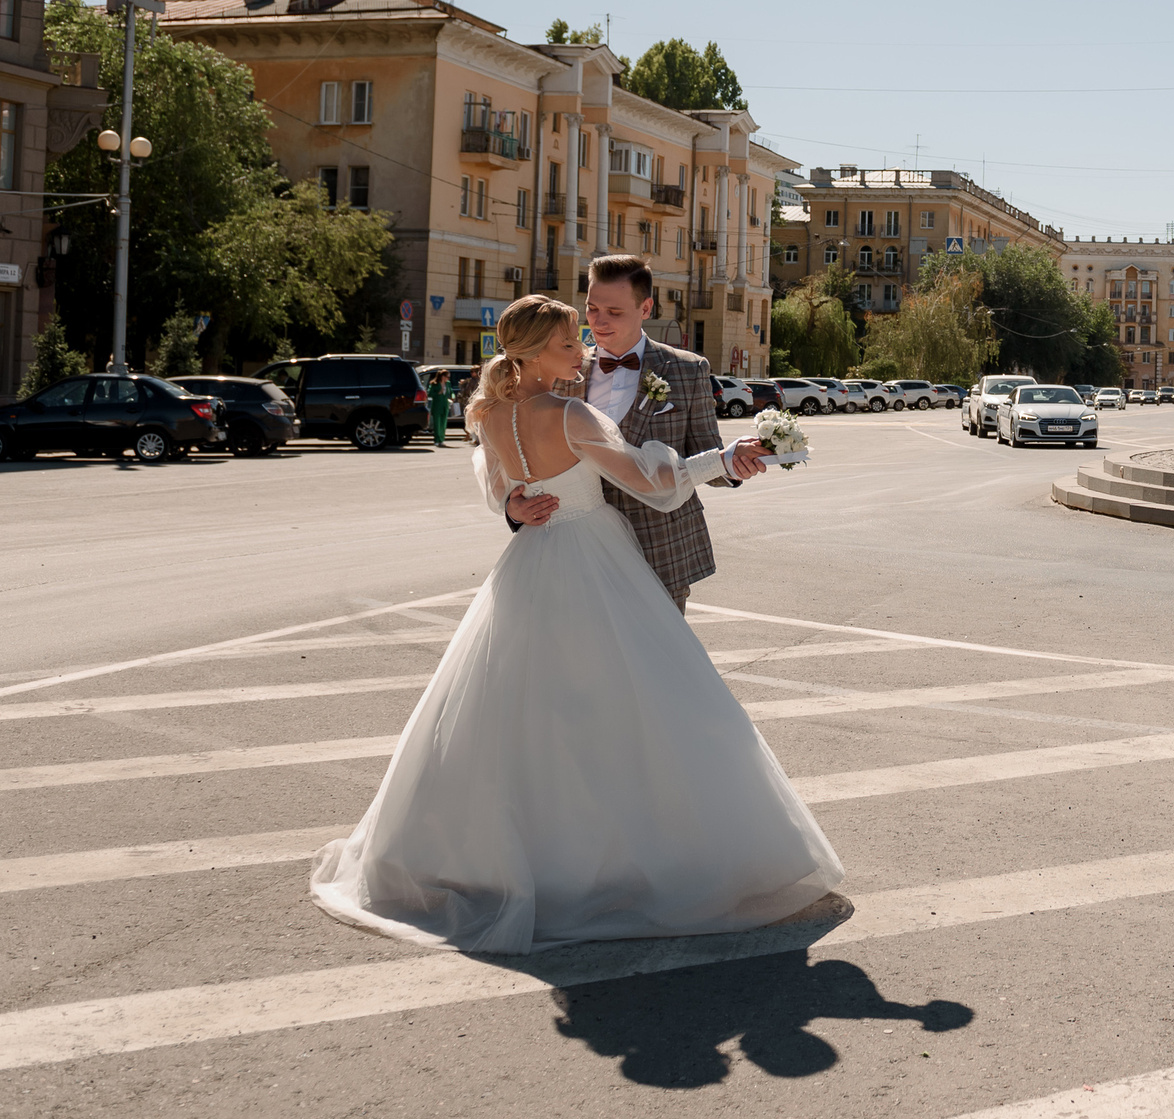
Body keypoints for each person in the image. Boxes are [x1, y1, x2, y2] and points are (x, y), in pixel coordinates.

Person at [311, 293, 841, 953]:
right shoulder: (570, 413)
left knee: (521, 720)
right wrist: (725, 459)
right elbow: (656, 482)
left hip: (530, 566)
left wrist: (512, 502)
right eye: (568, 344)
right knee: (648, 710)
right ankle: (621, 864)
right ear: (530, 352)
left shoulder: (490, 411)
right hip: (594, 562)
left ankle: (522, 861)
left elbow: (488, 478)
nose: (582, 353)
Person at [506, 255, 735, 613]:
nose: (598, 321)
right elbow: (517, 451)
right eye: (592, 308)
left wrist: (735, 465)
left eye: (614, 311)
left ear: (646, 308)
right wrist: (513, 506)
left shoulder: (688, 371)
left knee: (657, 660)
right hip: (575, 547)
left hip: (658, 547)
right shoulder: (558, 369)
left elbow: (708, 451)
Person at [426, 371, 451, 448]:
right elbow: (429, 394)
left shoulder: (448, 383)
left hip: (444, 405)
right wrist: (438, 393)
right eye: (447, 376)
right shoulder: (434, 384)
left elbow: (451, 391)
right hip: (437, 405)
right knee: (437, 424)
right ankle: (437, 440)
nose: (448, 378)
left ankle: (441, 440)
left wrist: (452, 396)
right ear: (442, 376)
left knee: (443, 423)